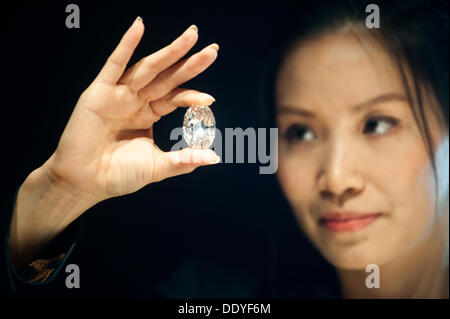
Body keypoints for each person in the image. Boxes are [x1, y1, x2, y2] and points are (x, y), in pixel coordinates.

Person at [3, 0, 449, 298]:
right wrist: (63, 191)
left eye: (378, 124)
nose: (335, 179)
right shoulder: (210, 295)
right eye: (301, 133)